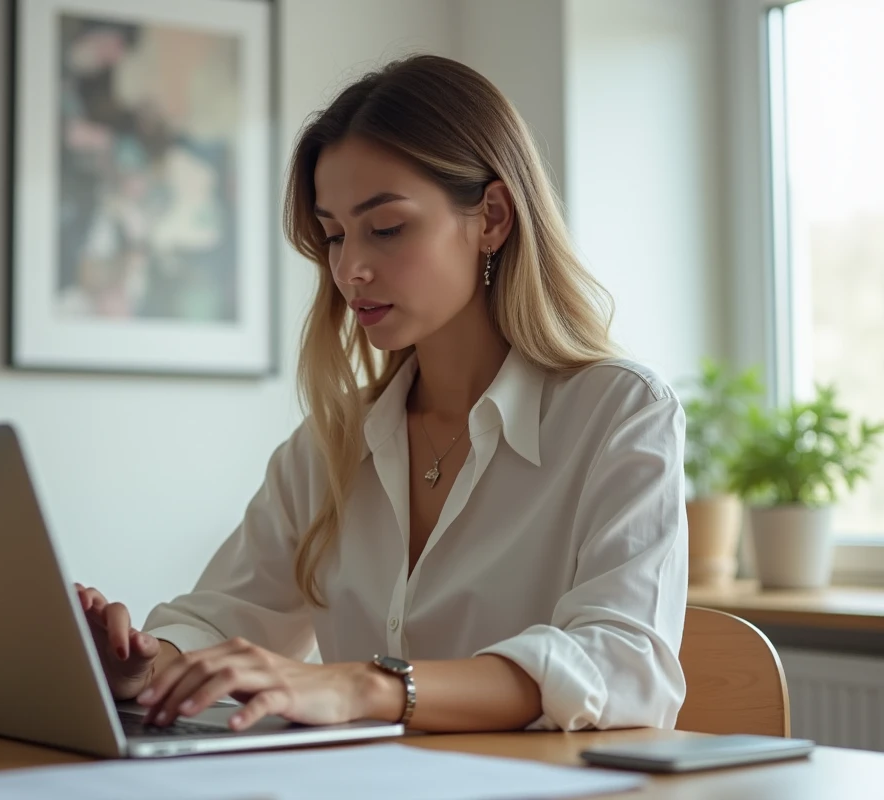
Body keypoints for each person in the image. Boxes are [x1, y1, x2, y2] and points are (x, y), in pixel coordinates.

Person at [75, 54, 687, 735]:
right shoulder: (330, 445)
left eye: (386, 228)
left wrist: (367, 687)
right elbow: (221, 617)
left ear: (491, 217)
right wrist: (148, 663)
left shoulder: (618, 414)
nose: (349, 268)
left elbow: (624, 663)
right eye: (333, 235)